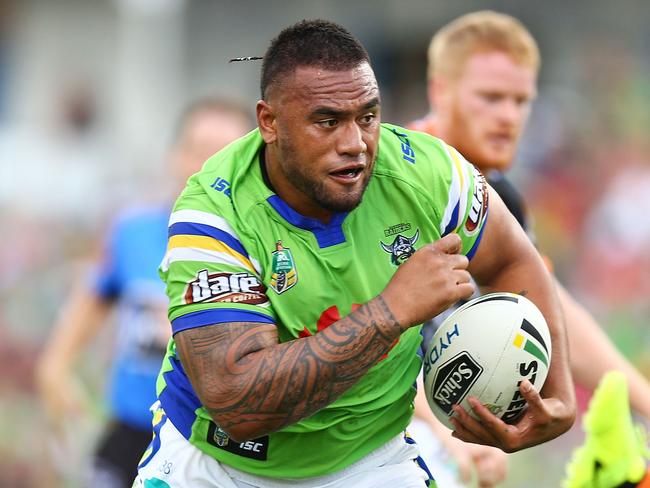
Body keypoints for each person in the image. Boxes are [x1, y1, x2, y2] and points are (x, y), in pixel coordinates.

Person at [133, 19, 576, 488]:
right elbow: (240, 402)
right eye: (327, 121)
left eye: (367, 117)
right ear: (270, 122)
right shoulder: (214, 216)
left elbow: (512, 259)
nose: (355, 144)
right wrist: (390, 312)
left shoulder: (430, 175)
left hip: (370, 461)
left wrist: (560, 399)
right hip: (219, 465)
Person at [408, 10, 650, 486]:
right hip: (375, 434)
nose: (509, 116)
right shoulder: (400, 184)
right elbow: (369, 333)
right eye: (491, 98)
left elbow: (548, 308)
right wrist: (440, 430)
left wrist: (641, 398)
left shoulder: (501, 196)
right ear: (441, 91)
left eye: (521, 101)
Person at [35, 98, 252, 487]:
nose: (206, 166)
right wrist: (56, 362)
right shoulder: (133, 230)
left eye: (224, 154)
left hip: (210, 441)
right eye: (196, 150)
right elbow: (98, 292)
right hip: (131, 428)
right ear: (173, 155)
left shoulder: (261, 247)